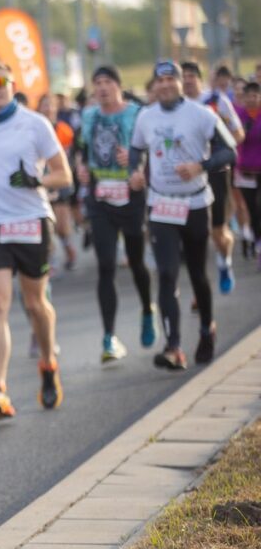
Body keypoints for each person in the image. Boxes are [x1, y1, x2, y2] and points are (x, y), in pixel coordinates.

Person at [0, 60, 74, 419]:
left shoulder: (34, 123)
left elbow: (64, 175)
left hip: (31, 220)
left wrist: (37, 182)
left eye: (1, 81)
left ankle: (48, 362)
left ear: (11, 84)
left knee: (35, 304)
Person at [129, 61, 237, 370]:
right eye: (159, 80)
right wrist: (134, 172)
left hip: (195, 203)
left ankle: (206, 328)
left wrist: (199, 167)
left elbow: (228, 151)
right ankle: (173, 345)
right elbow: (137, 149)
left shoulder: (201, 114)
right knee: (166, 273)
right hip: (161, 204)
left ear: (180, 83)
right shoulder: (145, 117)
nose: (164, 85)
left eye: (170, 79)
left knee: (198, 276)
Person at [77, 65, 156, 363]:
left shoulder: (138, 114)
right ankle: (109, 337)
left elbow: (152, 147)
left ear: (118, 85)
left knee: (136, 262)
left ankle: (148, 309)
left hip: (131, 194)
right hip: (101, 197)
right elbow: (81, 148)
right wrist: (80, 166)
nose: (101, 88)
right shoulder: (89, 115)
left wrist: (138, 163)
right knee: (106, 265)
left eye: (107, 81)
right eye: (97, 83)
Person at [182, 61, 245, 294]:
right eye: (184, 76)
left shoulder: (216, 101)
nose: (187, 80)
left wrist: (217, 153)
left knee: (218, 232)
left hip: (216, 174)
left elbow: (237, 134)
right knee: (195, 235)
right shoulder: (176, 107)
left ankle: (224, 262)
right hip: (188, 178)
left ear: (199, 78)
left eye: (191, 75)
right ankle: (199, 288)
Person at [37, 94, 78, 271]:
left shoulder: (64, 129)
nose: (48, 109)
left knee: (62, 227)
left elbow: (71, 157)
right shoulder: (34, 128)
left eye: (51, 105)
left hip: (60, 180)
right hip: (41, 181)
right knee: (47, 226)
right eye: (44, 105)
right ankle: (50, 260)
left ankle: (69, 248)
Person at [234, 81, 261, 267]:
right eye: (248, 95)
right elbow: (234, 140)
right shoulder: (239, 116)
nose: (252, 99)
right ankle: (256, 241)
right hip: (246, 171)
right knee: (252, 210)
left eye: (255, 95)